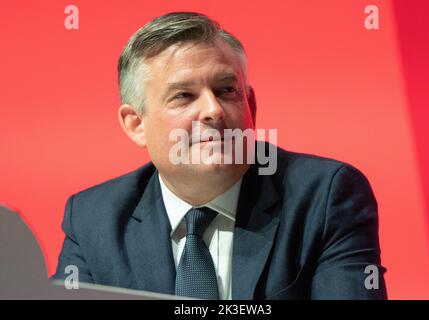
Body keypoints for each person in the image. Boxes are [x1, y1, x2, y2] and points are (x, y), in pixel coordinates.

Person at [52, 11, 387, 299]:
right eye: (184, 96)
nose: (213, 110)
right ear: (136, 124)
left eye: (227, 90)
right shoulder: (93, 219)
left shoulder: (324, 197)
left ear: (251, 105)